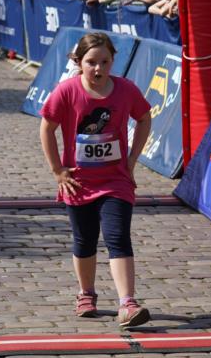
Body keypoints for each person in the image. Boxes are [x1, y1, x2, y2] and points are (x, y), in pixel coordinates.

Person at [40, 32, 152, 326]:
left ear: (114, 60)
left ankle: (127, 303)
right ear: (79, 62)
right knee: (85, 240)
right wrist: (58, 170)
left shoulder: (126, 90)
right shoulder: (66, 91)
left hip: (116, 181)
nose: (98, 69)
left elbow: (143, 117)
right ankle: (85, 293)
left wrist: (131, 160)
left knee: (117, 237)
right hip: (78, 182)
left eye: (105, 62)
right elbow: (46, 128)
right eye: (91, 62)